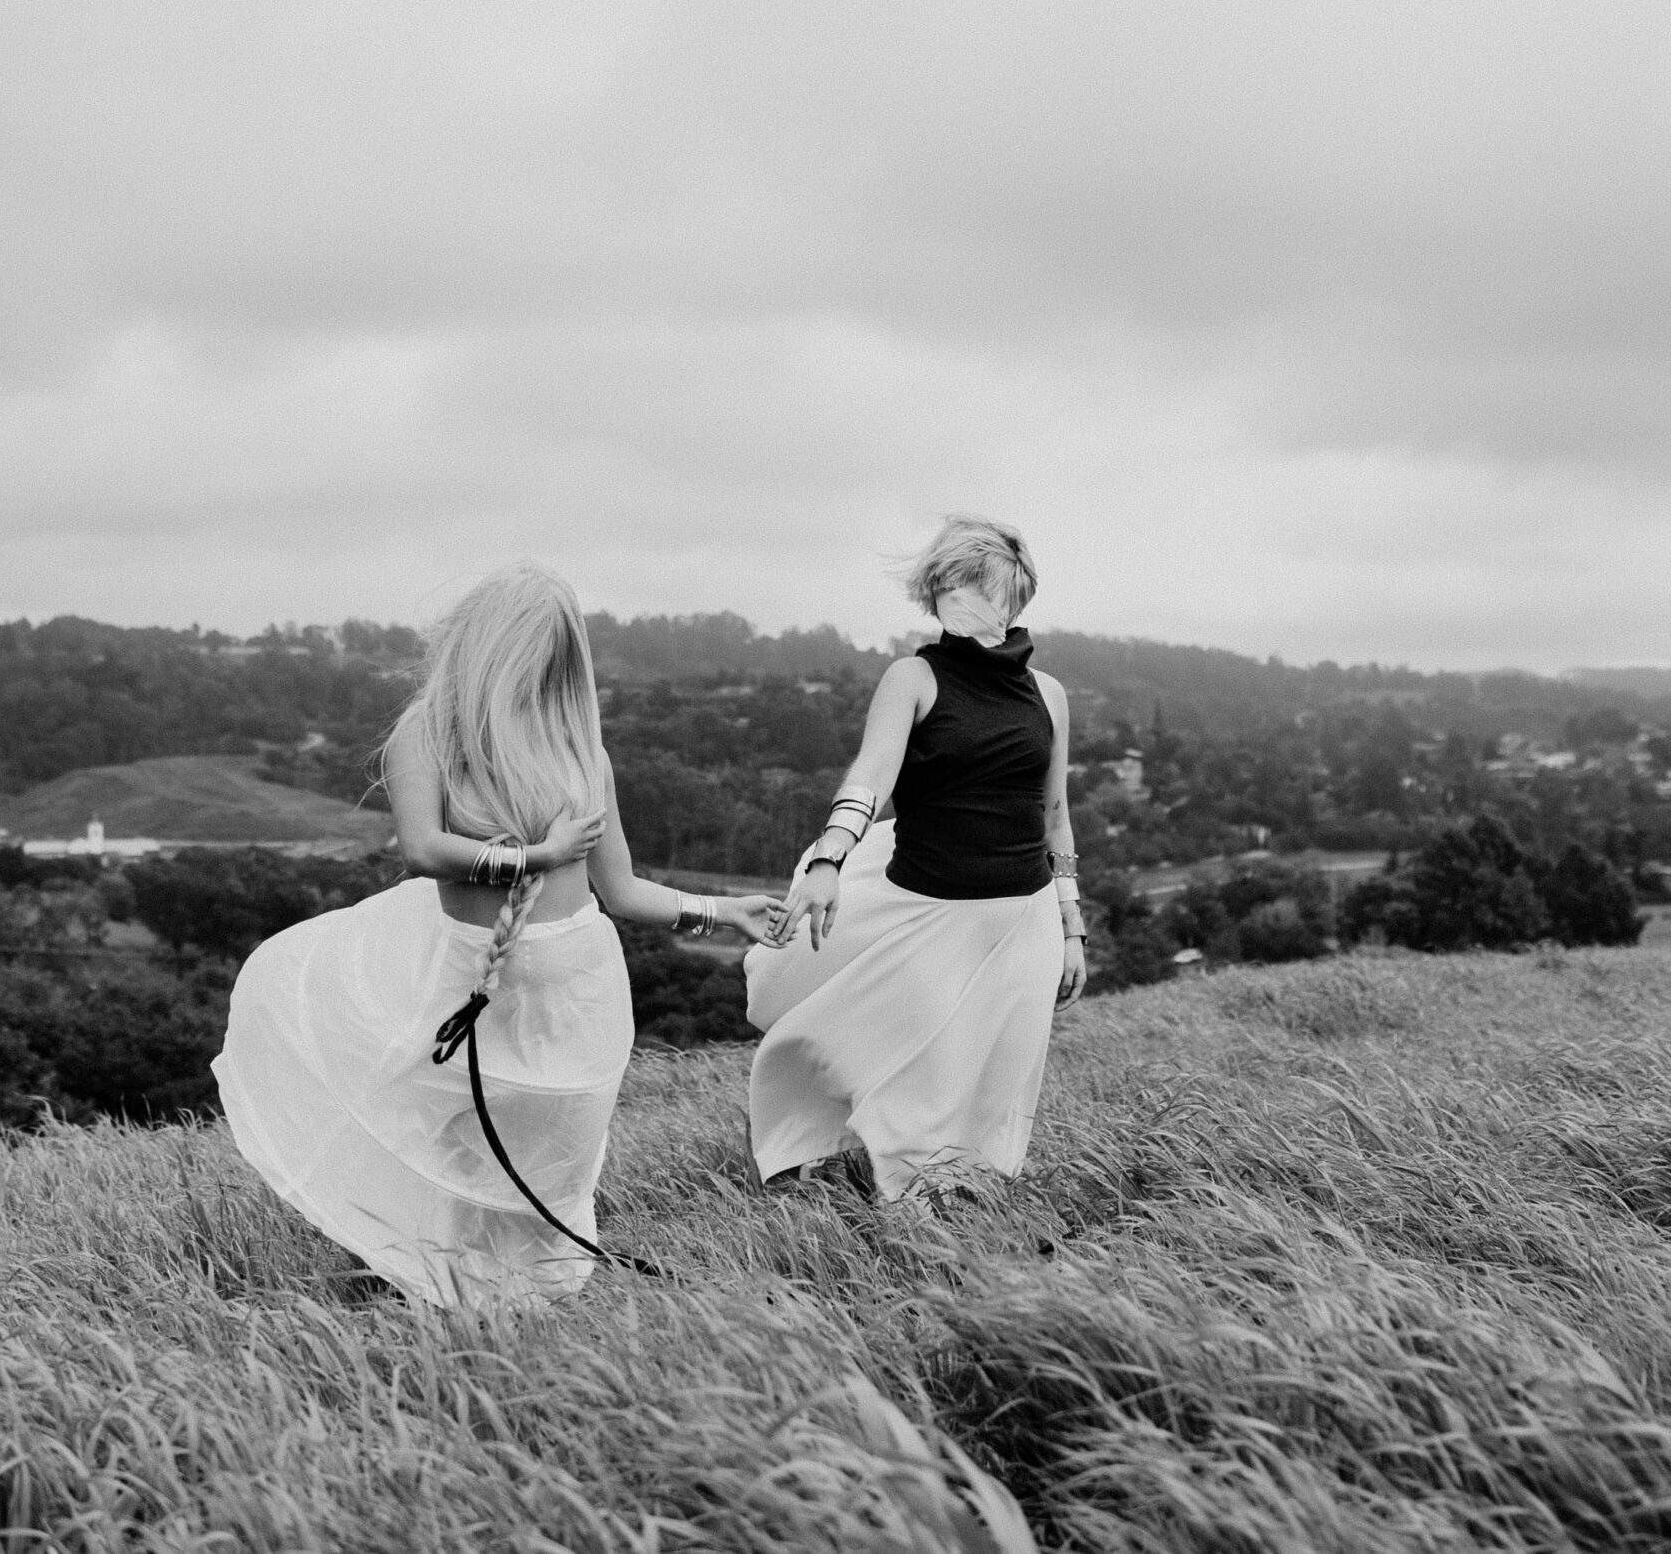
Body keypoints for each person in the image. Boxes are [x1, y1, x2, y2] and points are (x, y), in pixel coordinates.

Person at [214, 562, 777, 1307]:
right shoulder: (428, 733)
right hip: (471, 969)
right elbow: (422, 849)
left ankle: (528, 1299)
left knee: (552, 1147)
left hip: (576, 982)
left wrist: (721, 911)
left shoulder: (580, 749)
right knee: (445, 1125)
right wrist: (536, 857)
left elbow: (621, 889)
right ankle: (433, 1279)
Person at [746, 516, 1087, 1201]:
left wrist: (1071, 924)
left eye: (979, 586)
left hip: (1022, 924)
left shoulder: (1048, 694)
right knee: (918, 1079)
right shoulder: (913, 678)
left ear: (1013, 594)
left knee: (989, 1088)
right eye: (951, 585)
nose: (964, 599)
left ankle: (961, 1207)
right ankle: (888, 1204)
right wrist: (828, 859)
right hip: (930, 914)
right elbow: (870, 776)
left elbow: (1054, 813)